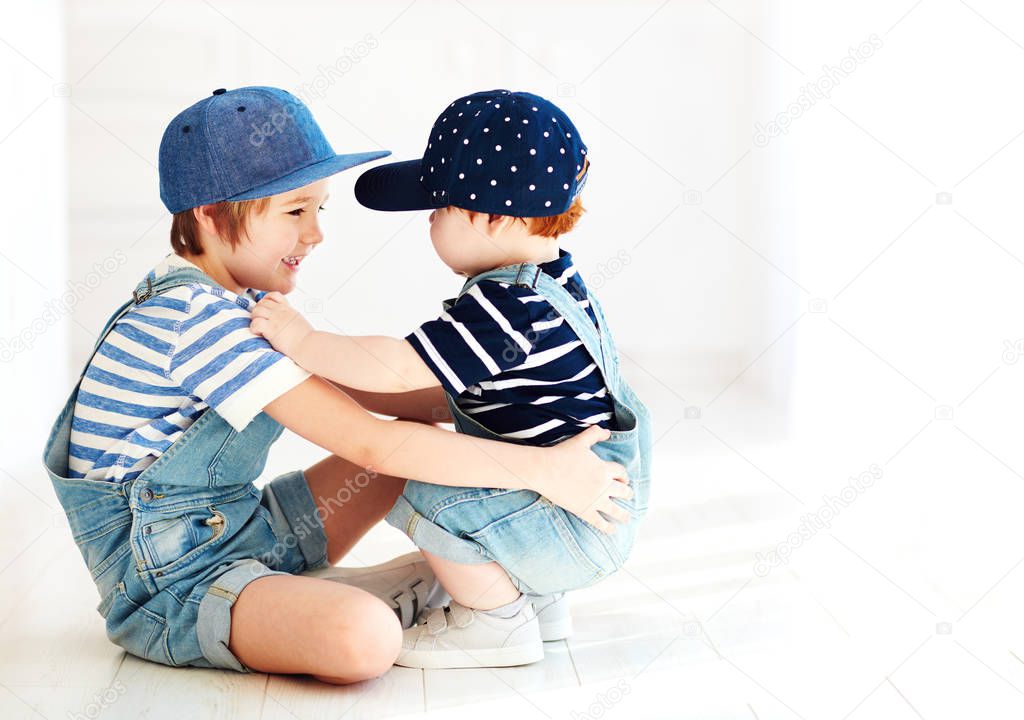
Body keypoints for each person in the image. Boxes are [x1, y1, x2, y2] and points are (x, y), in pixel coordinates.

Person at [42, 86, 632, 683]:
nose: (317, 233)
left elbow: (370, 397)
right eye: (295, 212)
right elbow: (366, 444)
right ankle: (376, 598)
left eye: (319, 210)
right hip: (173, 588)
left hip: (248, 531)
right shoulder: (194, 321)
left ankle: (435, 581)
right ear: (210, 214)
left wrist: (510, 410)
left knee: (415, 439)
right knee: (364, 639)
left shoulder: (235, 303)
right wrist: (542, 471)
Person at [249, 89, 652, 669]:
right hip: (586, 509)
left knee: (424, 483)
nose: (429, 223)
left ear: (494, 216)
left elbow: (397, 365)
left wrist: (302, 340)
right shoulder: (556, 281)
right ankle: (540, 606)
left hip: (568, 523)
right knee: (482, 454)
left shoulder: (506, 307)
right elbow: (426, 391)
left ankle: (494, 623)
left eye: (437, 209)